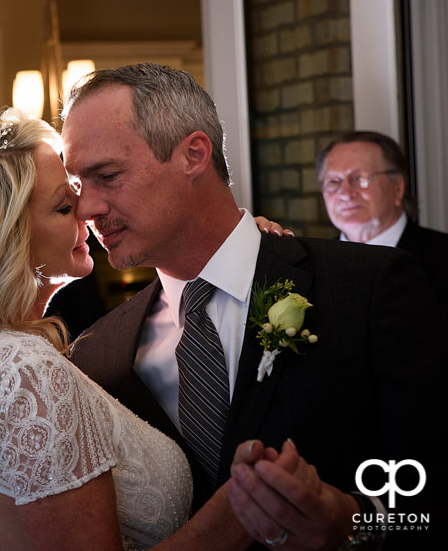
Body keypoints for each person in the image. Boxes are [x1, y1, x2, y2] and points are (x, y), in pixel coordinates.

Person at [0, 110, 319, 550]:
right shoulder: (23, 370)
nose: (88, 211)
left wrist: (240, 250)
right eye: (64, 206)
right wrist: (234, 513)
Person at [60, 64, 447, 550]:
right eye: (77, 187)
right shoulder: (99, 355)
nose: (87, 208)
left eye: (107, 176)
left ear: (193, 155)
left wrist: (355, 521)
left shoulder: (367, 286)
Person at [316, 130, 448, 308]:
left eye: (360, 178)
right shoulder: (315, 265)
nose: (346, 193)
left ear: (398, 188)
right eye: (333, 181)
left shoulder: (442, 256)